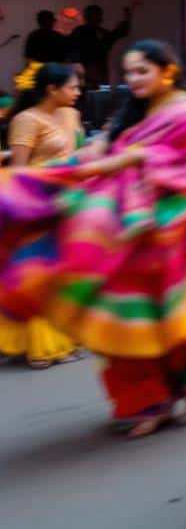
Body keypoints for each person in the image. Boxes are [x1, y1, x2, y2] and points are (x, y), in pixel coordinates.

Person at [0, 40, 186, 437]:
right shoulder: (133, 110)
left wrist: (134, 159)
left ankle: (167, 395)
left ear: (166, 70)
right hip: (122, 231)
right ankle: (145, 400)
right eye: (128, 73)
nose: (132, 80)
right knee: (118, 317)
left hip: (167, 231)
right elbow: (104, 147)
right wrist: (83, 159)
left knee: (164, 320)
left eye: (141, 71)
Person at [0, 62, 84, 369]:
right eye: (73, 87)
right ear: (52, 89)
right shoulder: (25, 120)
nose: (78, 92)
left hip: (70, 201)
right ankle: (40, 346)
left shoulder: (71, 114)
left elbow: (78, 155)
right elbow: (19, 172)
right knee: (39, 273)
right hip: (36, 204)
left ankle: (61, 335)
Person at [68, 4, 131, 87]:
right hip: (88, 71)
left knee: (100, 93)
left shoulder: (100, 32)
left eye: (100, 15)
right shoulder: (80, 32)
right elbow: (72, 51)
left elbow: (117, 34)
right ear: (89, 17)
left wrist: (127, 18)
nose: (100, 18)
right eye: (97, 15)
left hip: (99, 70)